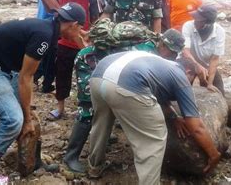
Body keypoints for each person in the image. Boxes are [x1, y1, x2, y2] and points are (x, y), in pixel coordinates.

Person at [0, 3, 86, 184]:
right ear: (73, 24)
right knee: (15, 119)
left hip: (6, 66)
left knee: (30, 114)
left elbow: (24, 75)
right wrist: (26, 118)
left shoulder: (49, 28)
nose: (80, 32)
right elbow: (26, 78)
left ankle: (34, 161)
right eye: (80, 28)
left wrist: (29, 113)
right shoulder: (44, 36)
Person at [63, 19, 185, 172]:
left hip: (109, 67)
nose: (172, 57)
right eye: (172, 52)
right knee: (88, 109)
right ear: (163, 44)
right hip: (90, 61)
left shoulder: (154, 44)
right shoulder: (148, 53)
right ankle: (71, 157)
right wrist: (173, 116)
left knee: (111, 104)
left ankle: (101, 144)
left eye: (175, 54)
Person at [87, 51, 221, 184]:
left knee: (101, 124)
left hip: (98, 78)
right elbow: (196, 127)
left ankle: (95, 167)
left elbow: (155, 91)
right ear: (188, 71)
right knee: (153, 140)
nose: (190, 84)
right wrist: (214, 154)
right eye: (193, 79)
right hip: (125, 85)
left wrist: (173, 116)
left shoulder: (160, 64)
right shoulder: (180, 75)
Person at [49, 0, 101, 120]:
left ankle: (88, 108)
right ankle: (60, 107)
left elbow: (96, 21)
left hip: (83, 42)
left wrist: (87, 40)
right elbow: (54, 9)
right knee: (62, 74)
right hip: (64, 41)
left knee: (86, 77)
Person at [181, 4, 226, 93]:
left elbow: (215, 59)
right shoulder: (188, 26)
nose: (194, 21)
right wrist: (196, 65)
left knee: (219, 91)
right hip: (188, 62)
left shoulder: (219, 32)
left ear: (207, 24)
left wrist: (210, 83)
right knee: (182, 89)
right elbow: (185, 51)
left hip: (207, 66)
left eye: (198, 20)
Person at [34, 0, 63, 93]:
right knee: (50, 58)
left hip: (40, 25)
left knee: (42, 55)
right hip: (49, 27)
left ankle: (34, 78)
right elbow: (53, 13)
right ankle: (46, 85)